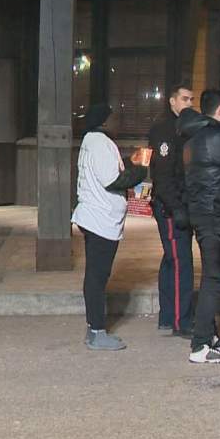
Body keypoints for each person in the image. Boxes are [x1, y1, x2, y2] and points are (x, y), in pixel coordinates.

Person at [71, 103, 147, 351]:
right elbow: (114, 180)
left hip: (96, 218)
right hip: (100, 220)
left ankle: (94, 328)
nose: (118, 121)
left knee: (96, 275)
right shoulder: (99, 142)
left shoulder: (93, 141)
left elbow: (109, 169)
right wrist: (141, 169)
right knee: (97, 277)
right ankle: (96, 331)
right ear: (103, 122)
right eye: (113, 118)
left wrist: (129, 160)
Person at [177, 89, 220, 364]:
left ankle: (210, 335)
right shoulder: (217, 138)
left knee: (216, 276)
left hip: (202, 215)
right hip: (216, 217)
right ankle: (200, 345)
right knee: (215, 279)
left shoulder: (193, 140)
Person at [148, 84, 195, 336]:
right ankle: (181, 320)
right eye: (184, 99)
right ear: (172, 101)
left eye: (191, 99)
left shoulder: (185, 130)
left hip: (178, 203)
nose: (189, 103)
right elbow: (164, 175)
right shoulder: (165, 131)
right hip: (170, 206)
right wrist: (176, 207)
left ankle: (169, 316)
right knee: (180, 262)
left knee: (171, 260)